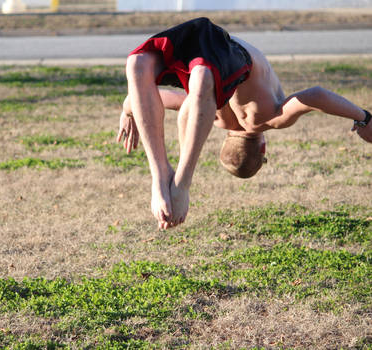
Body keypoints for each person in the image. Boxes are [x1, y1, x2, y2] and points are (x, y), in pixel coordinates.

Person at [116, 17, 372, 230]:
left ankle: (174, 181)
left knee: (168, 73)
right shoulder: (213, 115)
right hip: (210, 52)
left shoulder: (259, 119)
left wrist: (363, 118)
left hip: (218, 48)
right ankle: (169, 180)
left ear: (262, 149)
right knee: (147, 66)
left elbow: (314, 96)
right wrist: (129, 111)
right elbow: (148, 98)